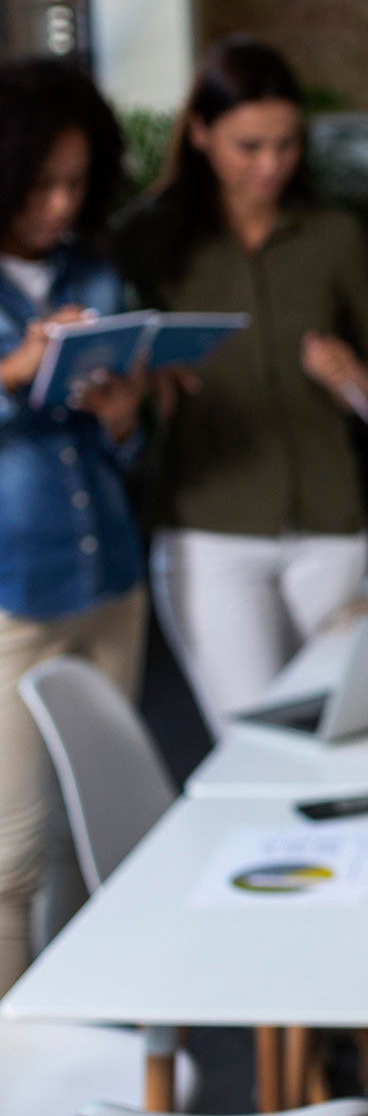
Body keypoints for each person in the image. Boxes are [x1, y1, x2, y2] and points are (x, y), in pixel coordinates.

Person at [112, 37, 368, 727]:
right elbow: (107, 375)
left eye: (286, 144)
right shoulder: (146, 241)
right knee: (254, 735)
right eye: (249, 146)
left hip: (330, 524)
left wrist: (354, 379)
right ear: (202, 134)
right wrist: (141, 380)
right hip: (212, 527)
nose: (270, 165)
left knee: (347, 726)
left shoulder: (330, 235)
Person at [0, 58, 147, 992]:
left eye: (76, 183)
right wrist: (16, 371)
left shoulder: (96, 272)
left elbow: (120, 452)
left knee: (103, 838)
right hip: (15, 594)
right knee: (11, 855)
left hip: (111, 583)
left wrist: (126, 420)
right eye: (40, 183)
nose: (59, 203)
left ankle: (92, 1037)